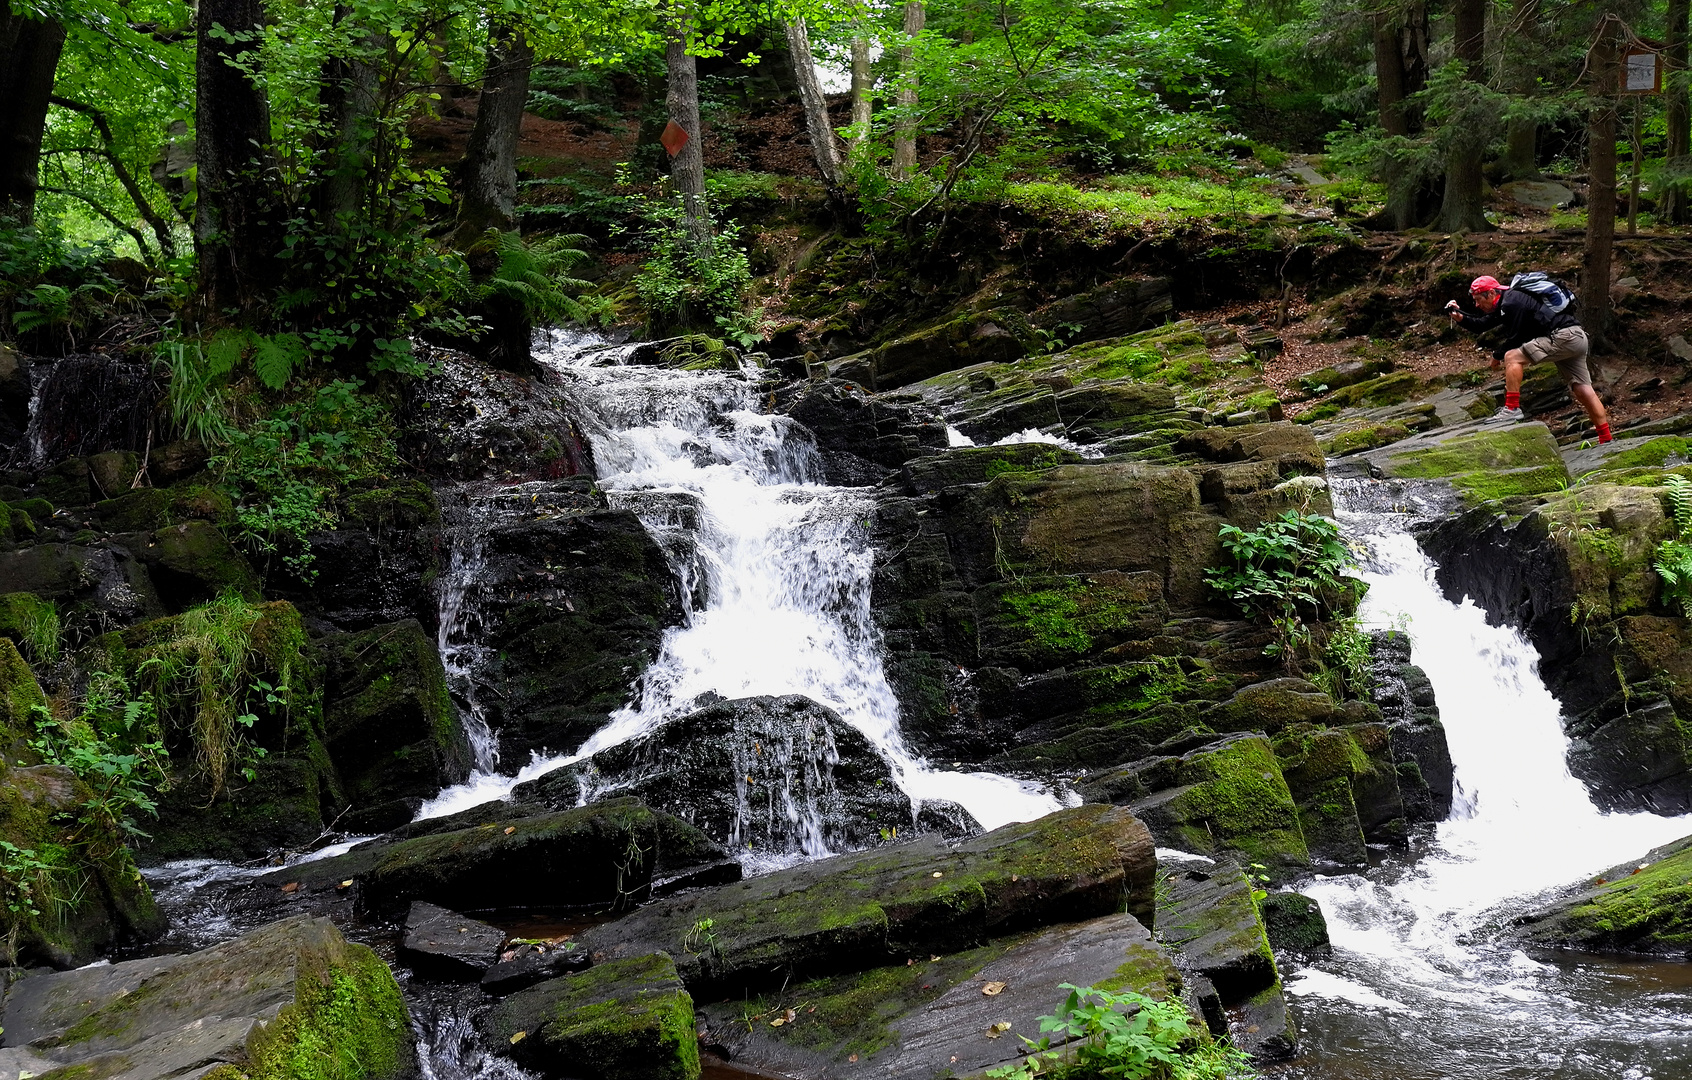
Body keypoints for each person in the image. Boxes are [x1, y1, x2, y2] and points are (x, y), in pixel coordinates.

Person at [1447, 274, 1611, 443]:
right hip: (1577, 337)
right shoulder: (1507, 303)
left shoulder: (1512, 302)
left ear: (1490, 294)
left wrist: (1497, 355)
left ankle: (1511, 409)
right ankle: (1606, 439)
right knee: (1583, 389)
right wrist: (1461, 318)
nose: (1477, 305)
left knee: (1512, 356)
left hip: (1562, 337)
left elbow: (1518, 337)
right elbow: (1482, 325)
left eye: (1478, 299)